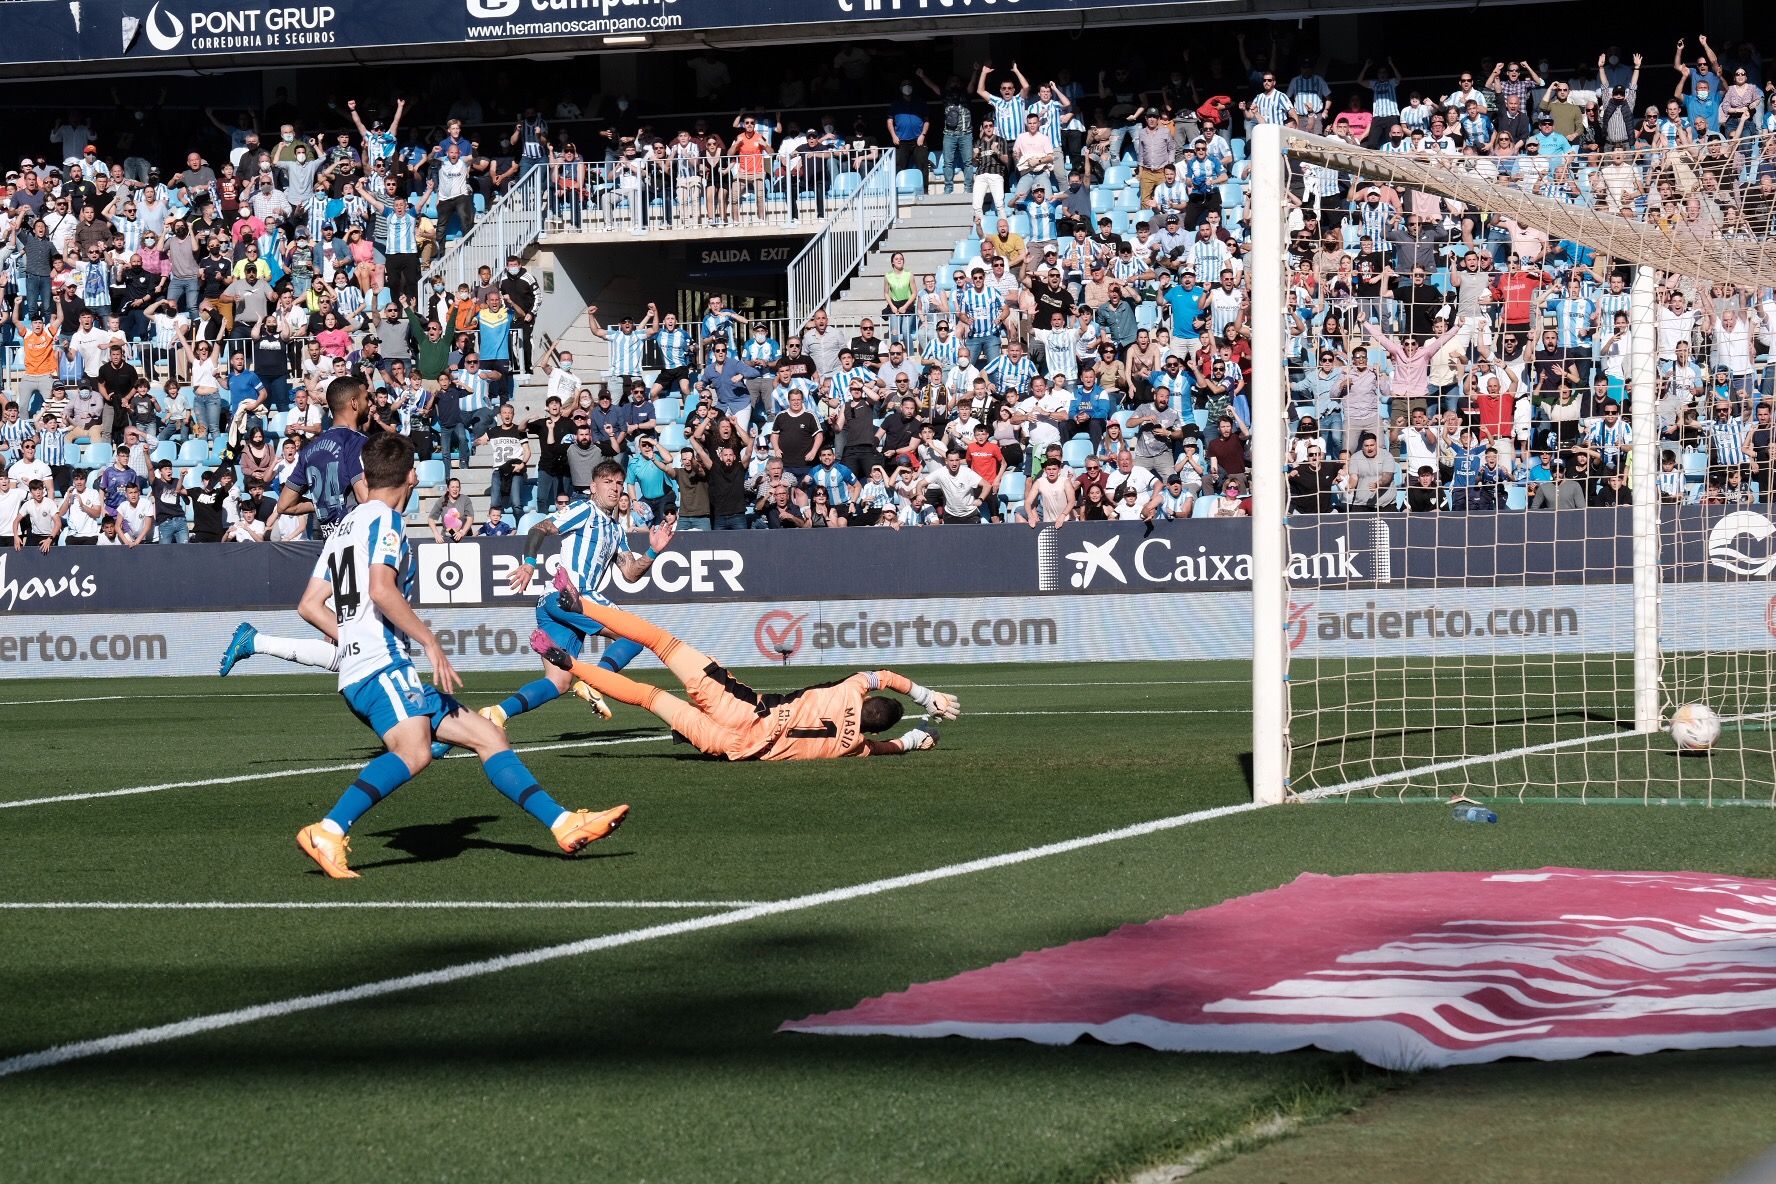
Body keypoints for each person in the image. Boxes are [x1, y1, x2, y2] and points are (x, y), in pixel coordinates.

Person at [292, 433, 630, 880]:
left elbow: (309, 605)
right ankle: (328, 830)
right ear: (411, 475)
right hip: (383, 667)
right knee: (414, 753)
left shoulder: (344, 529)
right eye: (416, 471)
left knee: (489, 736)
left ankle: (565, 824)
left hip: (370, 665)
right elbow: (380, 589)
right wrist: (428, 642)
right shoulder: (387, 522)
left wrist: (351, 639)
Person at [530, 594, 957, 761]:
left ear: (867, 704)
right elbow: (886, 748)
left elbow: (881, 675)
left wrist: (925, 696)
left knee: (662, 643)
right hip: (733, 747)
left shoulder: (850, 690)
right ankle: (572, 665)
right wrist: (917, 740)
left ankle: (580, 605)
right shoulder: (850, 747)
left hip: (741, 709)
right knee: (648, 697)